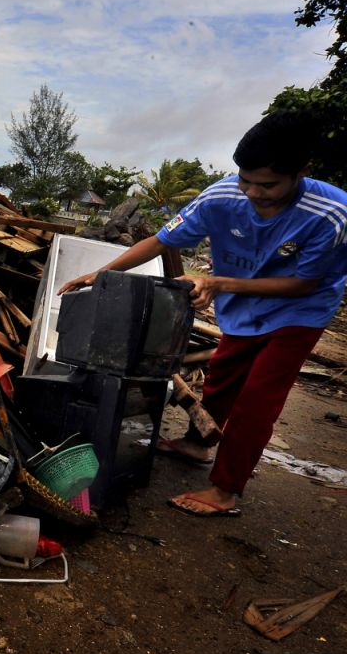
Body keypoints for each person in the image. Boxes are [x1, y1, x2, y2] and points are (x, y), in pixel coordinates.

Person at [58, 110, 347, 517]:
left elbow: (303, 284)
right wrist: (100, 273)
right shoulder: (221, 197)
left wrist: (219, 283)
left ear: (302, 171)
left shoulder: (330, 212)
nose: (251, 192)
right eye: (245, 179)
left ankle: (226, 489)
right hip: (242, 308)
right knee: (223, 379)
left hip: (298, 312)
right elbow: (161, 240)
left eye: (267, 184)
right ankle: (197, 444)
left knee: (257, 400)